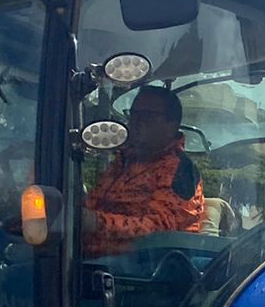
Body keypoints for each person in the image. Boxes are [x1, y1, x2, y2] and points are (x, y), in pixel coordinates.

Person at [82, 85, 206, 256]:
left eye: (148, 116)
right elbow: (92, 204)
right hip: (91, 261)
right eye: (133, 114)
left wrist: (96, 222)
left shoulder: (180, 170)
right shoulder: (123, 161)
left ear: (172, 125)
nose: (136, 122)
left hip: (144, 271)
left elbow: (161, 230)